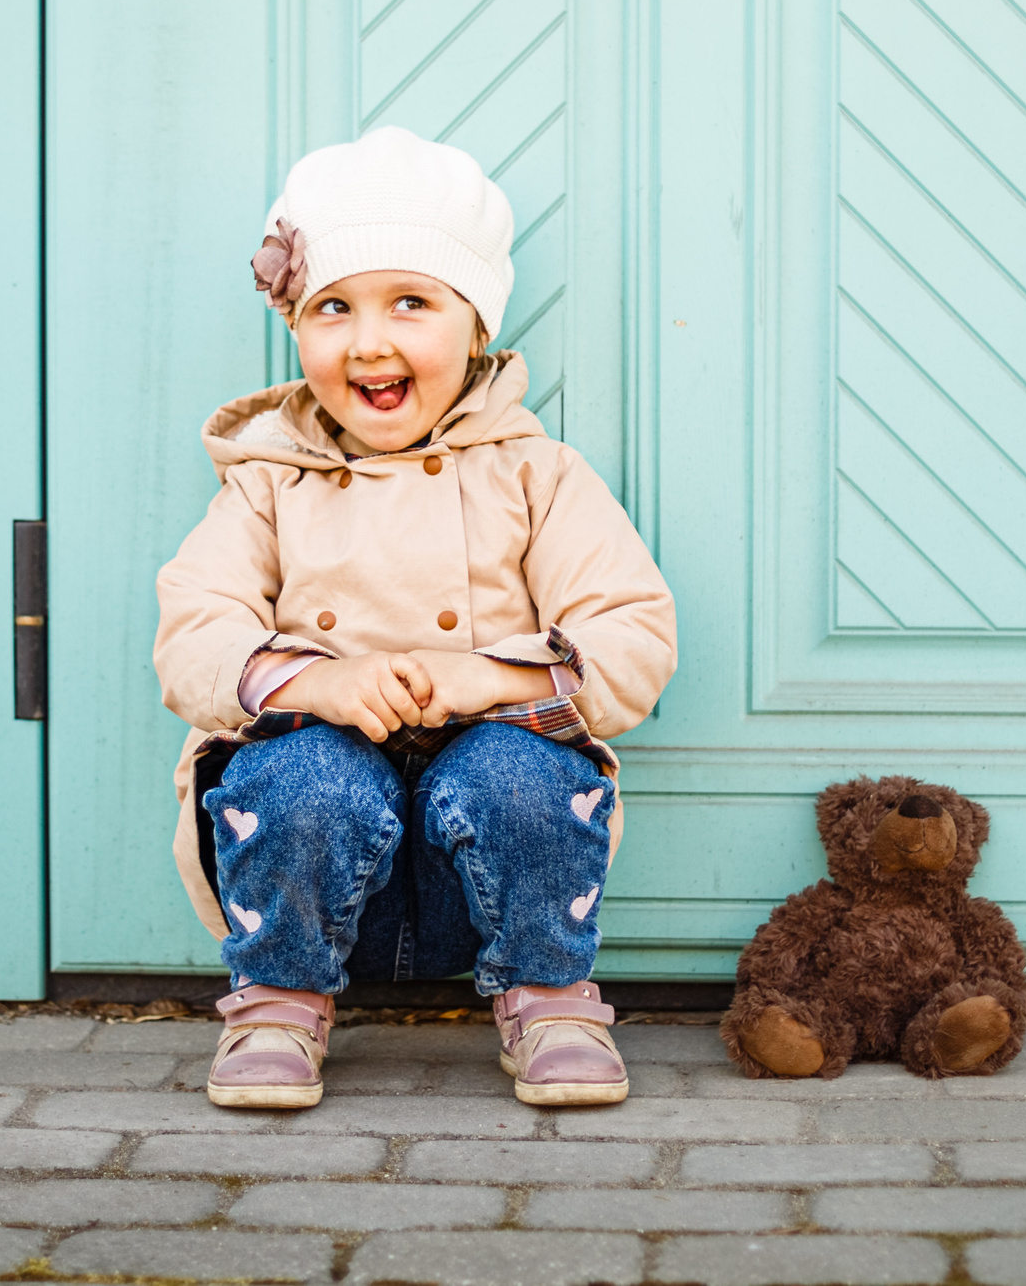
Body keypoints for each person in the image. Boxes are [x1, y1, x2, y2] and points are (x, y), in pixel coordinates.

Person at [154, 126, 678, 1111]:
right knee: (304, 767)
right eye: (333, 308)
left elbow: (633, 633)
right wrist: (319, 683)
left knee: (519, 766)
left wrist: (496, 678)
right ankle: (276, 1002)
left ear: (475, 328)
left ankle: (549, 996)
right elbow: (194, 629)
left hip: (478, 873)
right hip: (310, 863)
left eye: (412, 303)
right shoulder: (267, 486)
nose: (371, 340)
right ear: (298, 330)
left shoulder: (536, 475)